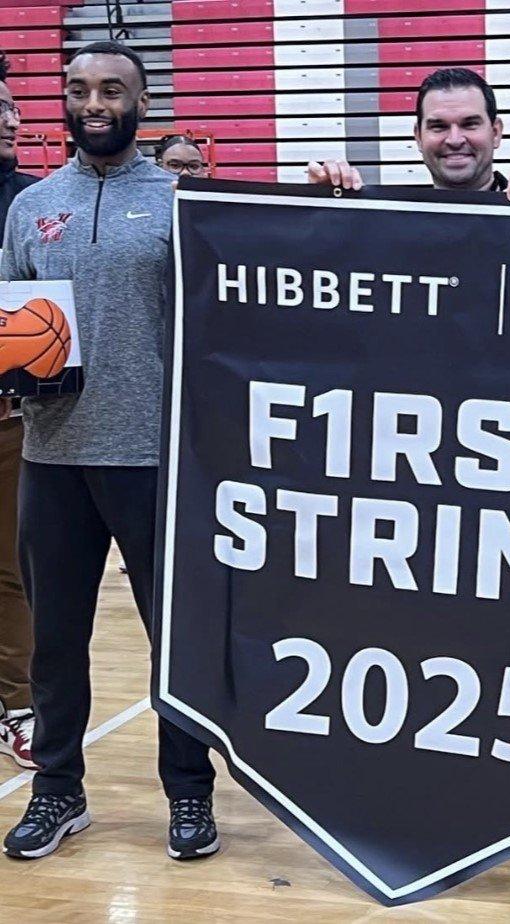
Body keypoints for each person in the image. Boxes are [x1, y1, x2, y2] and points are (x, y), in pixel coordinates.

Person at [308, 65, 510, 869]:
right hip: (422, 485)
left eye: (468, 124)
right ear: (415, 137)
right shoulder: (379, 222)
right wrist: (311, 211)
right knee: (423, 651)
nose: (453, 138)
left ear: (495, 130)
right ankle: (422, 804)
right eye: (436, 125)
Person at [0, 41, 219, 860]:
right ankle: (57, 791)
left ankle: (189, 795)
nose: (95, 102)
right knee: (57, 637)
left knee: (176, 640)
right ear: (64, 98)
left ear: (140, 101)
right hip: (52, 457)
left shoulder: (176, 202)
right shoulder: (31, 208)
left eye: (113, 90)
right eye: (80, 88)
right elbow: (20, 327)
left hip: (153, 456)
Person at [0, 48, 38, 771]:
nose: (9, 116)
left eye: (9, 105)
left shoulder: (32, 200)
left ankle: (19, 705)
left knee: (11, 569)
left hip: (9, 413)